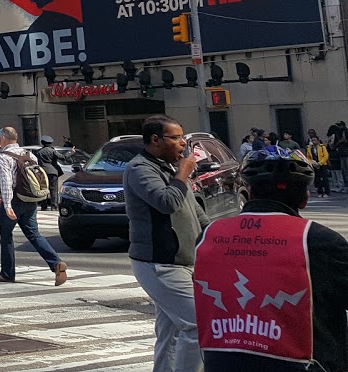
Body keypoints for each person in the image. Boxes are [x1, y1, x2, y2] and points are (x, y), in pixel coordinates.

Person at [194, 146, 348, 372]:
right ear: (304, 198)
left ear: (248, 191)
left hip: (222, 362)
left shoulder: (208, 236)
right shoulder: (318, 240)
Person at [125, 114, 209, 372]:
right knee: (197, 325)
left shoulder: (168, 168)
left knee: (171, 331)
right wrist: (183, 173)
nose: (183, 143)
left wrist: (212, 235)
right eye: (176, 137)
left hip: (182, 261)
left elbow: (194, 210)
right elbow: (166, 202)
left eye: (182, 137)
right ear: (155, 140)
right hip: (160, 262)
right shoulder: (140, 169)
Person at [0, 127, 65, 285]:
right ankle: (56, 263)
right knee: (34, 235)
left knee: (7, 238)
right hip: (30, 200)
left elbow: (7, 182)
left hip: (14, 200)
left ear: (3, 138)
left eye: (0, 137)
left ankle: (7, 273)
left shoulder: (3, 156)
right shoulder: (29, 154)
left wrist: (7, 205)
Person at [35, 135, 64, 210]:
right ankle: (54, 206)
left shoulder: (38, 152)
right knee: (53, 189)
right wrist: (71, 152)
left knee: (43, 189)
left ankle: (43, 206)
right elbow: (62, 157)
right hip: (53, 172)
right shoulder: (53, 151)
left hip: (42, 172)